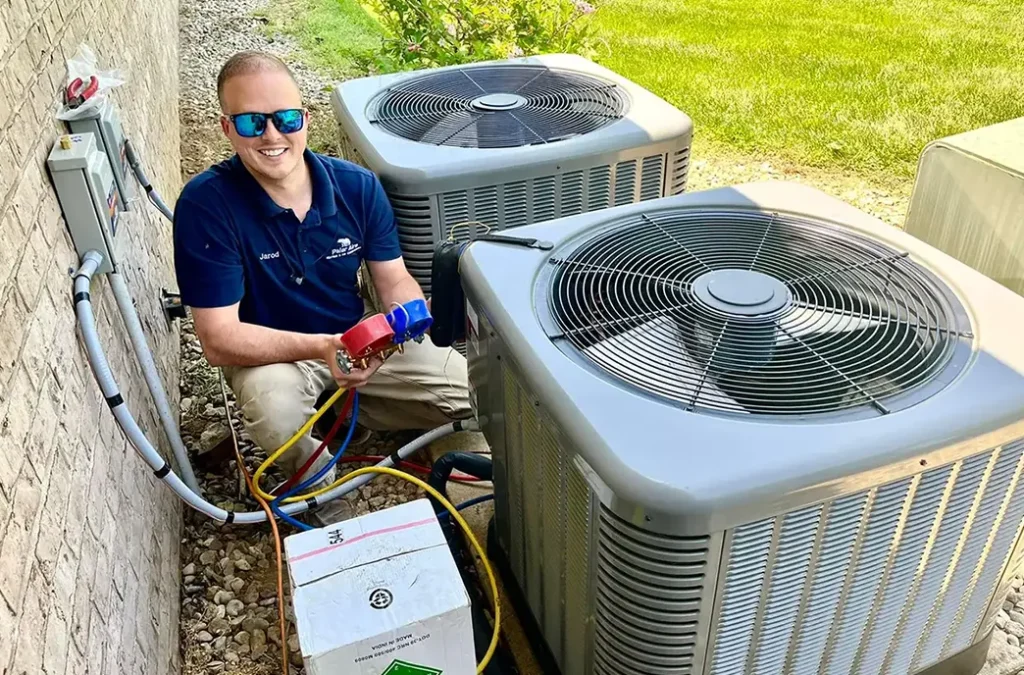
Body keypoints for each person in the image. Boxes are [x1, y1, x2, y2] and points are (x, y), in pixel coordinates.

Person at [172, 51, 471, 518]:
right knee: (273, 408)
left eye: (286, 118)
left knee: (471, 391)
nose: (273, 135)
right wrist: (323, 347)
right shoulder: (207, 206)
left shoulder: (356, 187)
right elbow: (218, 339)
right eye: (252, 123)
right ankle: (315, 481)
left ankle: (350, 411)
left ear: (305, 119)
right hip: (272, 355)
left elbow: (392, 278)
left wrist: (406, 319)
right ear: (227, 128)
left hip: (353, 340)